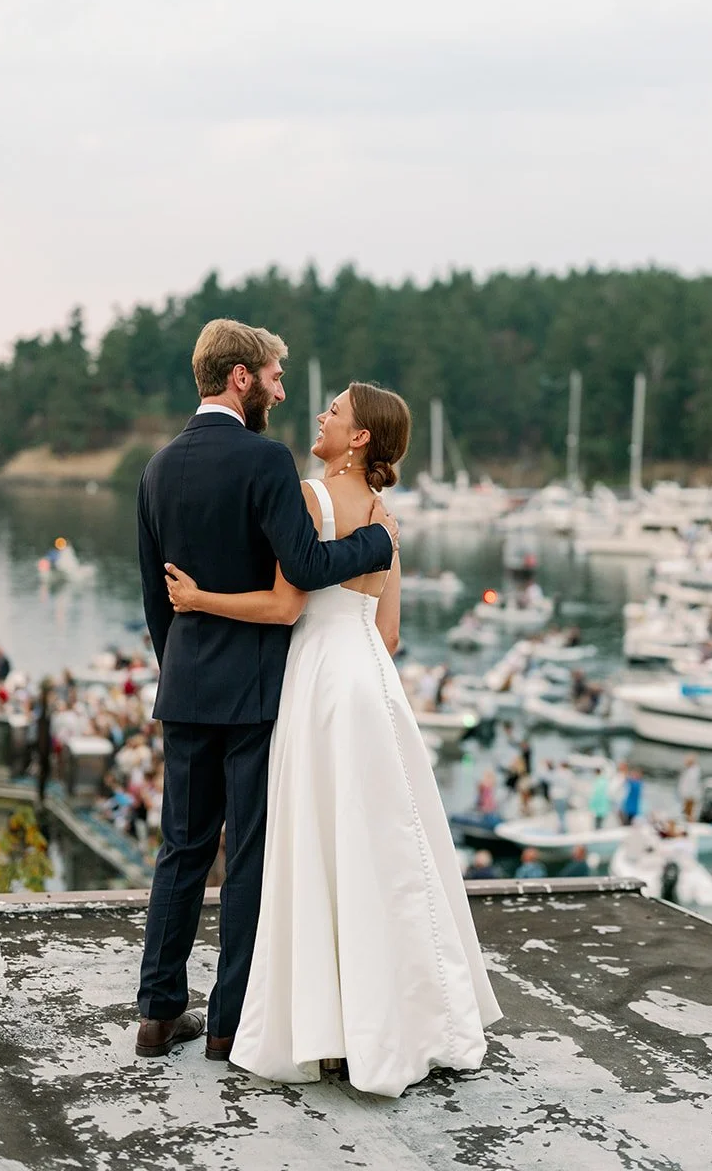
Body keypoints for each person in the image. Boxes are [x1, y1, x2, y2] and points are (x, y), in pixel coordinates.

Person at [158, 369, 498, 1097]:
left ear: (359, 435)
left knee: (314, 849)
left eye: (335, 411)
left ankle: (329, 1026)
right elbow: (392, 630)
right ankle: (404, 1018)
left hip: (318, 683)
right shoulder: (383, 516)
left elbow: (286, 604)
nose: (321, 415)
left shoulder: (311, 497)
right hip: (373, 684)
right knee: (383, 854)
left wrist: (196, 597)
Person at [130, 323, 410, 1071]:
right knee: (247, 859)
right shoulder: (265, 461)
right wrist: (378, 547)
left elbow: (157, 604)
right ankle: (226, 1026)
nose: (285, 393)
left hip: (186, 686)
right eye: (276, 377)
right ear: (243, 380)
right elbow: (309, 565)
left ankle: (157, 1015)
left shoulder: (156, 469)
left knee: (181, 851)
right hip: (256, 692)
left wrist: (180, 667)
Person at [678, 754, 702, 822]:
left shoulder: (693, 772)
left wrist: (688, 796)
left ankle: (690, 825)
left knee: (689, 814)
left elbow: (692, 785)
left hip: (690, 796)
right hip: (687, 796)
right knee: (686, 813)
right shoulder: (690, 770)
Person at [589, 766, 613, 830]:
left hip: (599, 804)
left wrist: (591, 804)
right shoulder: (604, 781)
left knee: (598, 820)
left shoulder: (598, 781)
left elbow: (595, 794)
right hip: (603, 804)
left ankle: (598, 831)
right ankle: (599, 830)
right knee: (600, 819)